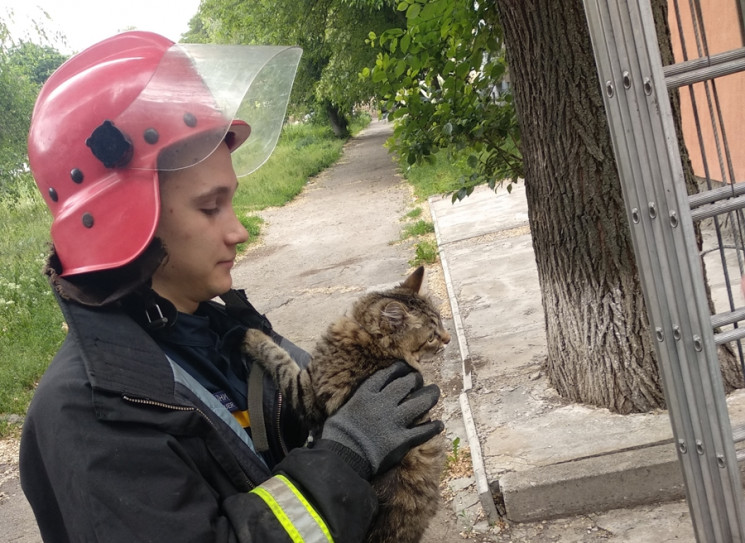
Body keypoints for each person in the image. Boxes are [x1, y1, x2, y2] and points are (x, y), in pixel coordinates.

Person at [19, 31, 443, 542]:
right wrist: (344, 458)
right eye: (208, 206)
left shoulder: (211, 333)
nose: (239, 231)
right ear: (125, 222)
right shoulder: (92, 414)